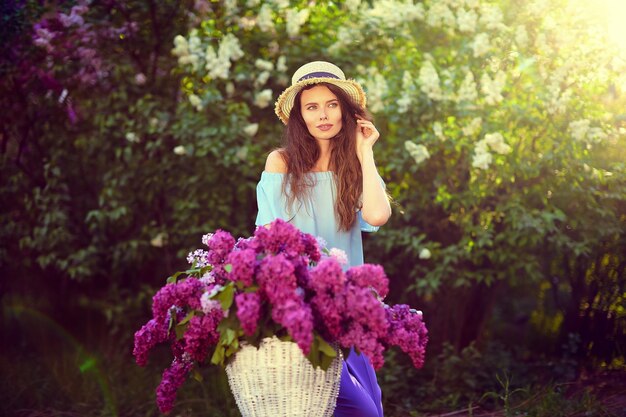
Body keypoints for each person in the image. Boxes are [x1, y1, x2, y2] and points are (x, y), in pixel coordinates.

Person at [255, 61, 391, 417]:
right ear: (300, 116)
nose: (323, 115)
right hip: (303, 311)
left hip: (351, 309)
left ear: (346, 111)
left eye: (332, 104)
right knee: (361, 412)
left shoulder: (354, 166)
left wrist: (366, 151)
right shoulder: (281, 163)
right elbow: (268, 242)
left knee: (373, 406)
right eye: (311, 107)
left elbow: (377, 216)